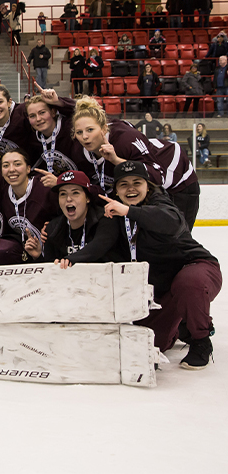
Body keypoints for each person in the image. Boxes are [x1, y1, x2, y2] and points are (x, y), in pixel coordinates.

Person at [63, 160, 222, 369]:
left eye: (137, 182)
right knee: (153, 344)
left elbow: (172, 222)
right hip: (161, 289)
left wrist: (129, 211)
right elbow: (101, 244)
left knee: (188, 283)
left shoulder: (160, 203)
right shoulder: (114, 214)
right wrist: (71, 259)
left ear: (147, 185)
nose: (131, 189)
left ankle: (201, 340)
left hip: (195, 267)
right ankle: (182, 325)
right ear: (116, 190)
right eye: (123, 184)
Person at [71, 97, 200, 230]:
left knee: (173, 237)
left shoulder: (126, 139)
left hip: (177, 179)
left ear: (104, 129)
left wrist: (116, 160)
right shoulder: (79, 148)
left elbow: (157, 176)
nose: (84, 136)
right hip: (147, 187)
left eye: (90, 130)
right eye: (79, 132)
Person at [37, 170, 120, 263]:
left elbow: (97, 248)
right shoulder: (52, 228)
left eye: (75, 193)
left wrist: (70, 260)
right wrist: (38, 257)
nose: (68, 199)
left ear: (87, 198)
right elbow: (50, 265)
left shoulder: (105, 219)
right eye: (63, 194)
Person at [0, 148, 55, 262]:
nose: (11, 169)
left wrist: (60, 185)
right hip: (29, 249)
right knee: (2, 249)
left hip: (55, 250)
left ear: (28, 168)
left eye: (17, 164)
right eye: (5, 165)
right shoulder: (3, 192)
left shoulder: (44, 188)